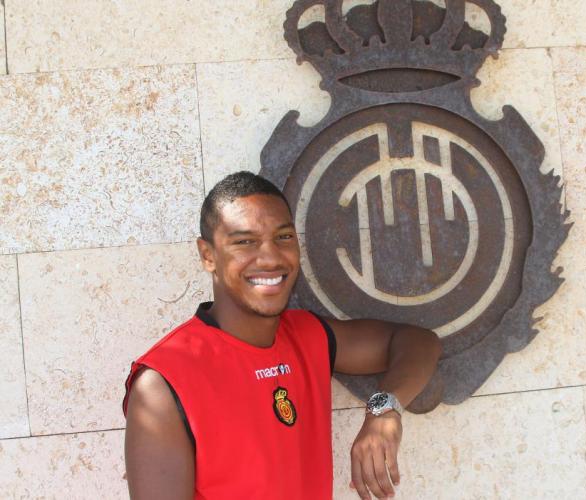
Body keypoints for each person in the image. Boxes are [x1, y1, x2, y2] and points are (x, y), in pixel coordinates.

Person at [123, 171, 442, 500]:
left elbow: (418, 342)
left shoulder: (308, 335)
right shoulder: (164, 382)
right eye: (244, 241)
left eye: (283, 237)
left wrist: (383, 411)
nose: (270, 257)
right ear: (208, 255)